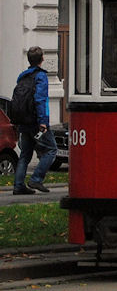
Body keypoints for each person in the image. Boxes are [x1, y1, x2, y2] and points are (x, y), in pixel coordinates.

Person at [12, 46, 58, 195]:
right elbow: (40, 100)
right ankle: (36, 179)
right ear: (42, 59)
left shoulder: (22, 76)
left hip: (23, 122)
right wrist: (43, 122)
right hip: (36, 122)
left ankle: (18, 185)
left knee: (25, 154)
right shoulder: (41, 76)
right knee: (51, 149)